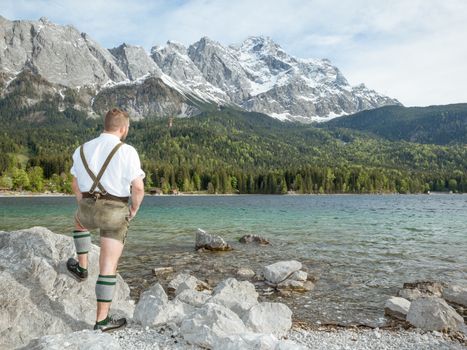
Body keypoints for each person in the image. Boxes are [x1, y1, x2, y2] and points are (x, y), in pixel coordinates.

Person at [67, 108, 145, 332]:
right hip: (114, 212)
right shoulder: (127, 151)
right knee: (108, 265)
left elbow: (75, 183)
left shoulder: (81, 149)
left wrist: (82, 201)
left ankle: (81, 268)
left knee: (79, 222)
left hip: (87, 209)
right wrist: (133, 209)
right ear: (123, 128)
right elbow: (138, 187)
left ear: (105, 125)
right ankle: (101, 321)